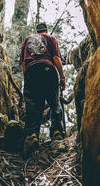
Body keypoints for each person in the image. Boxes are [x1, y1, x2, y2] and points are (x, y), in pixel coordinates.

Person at [20, 22, 66, 155]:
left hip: (31, 70)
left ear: (37, 31)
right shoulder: (50, 38)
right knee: (54, 101)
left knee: (33, 104)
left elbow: (23, 62)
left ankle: (33, 135)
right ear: (46, 30)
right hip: (48, 69)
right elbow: (56, 57)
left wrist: (27, 78)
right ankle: (57, 132)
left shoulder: (27, 40)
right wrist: (62, 77)